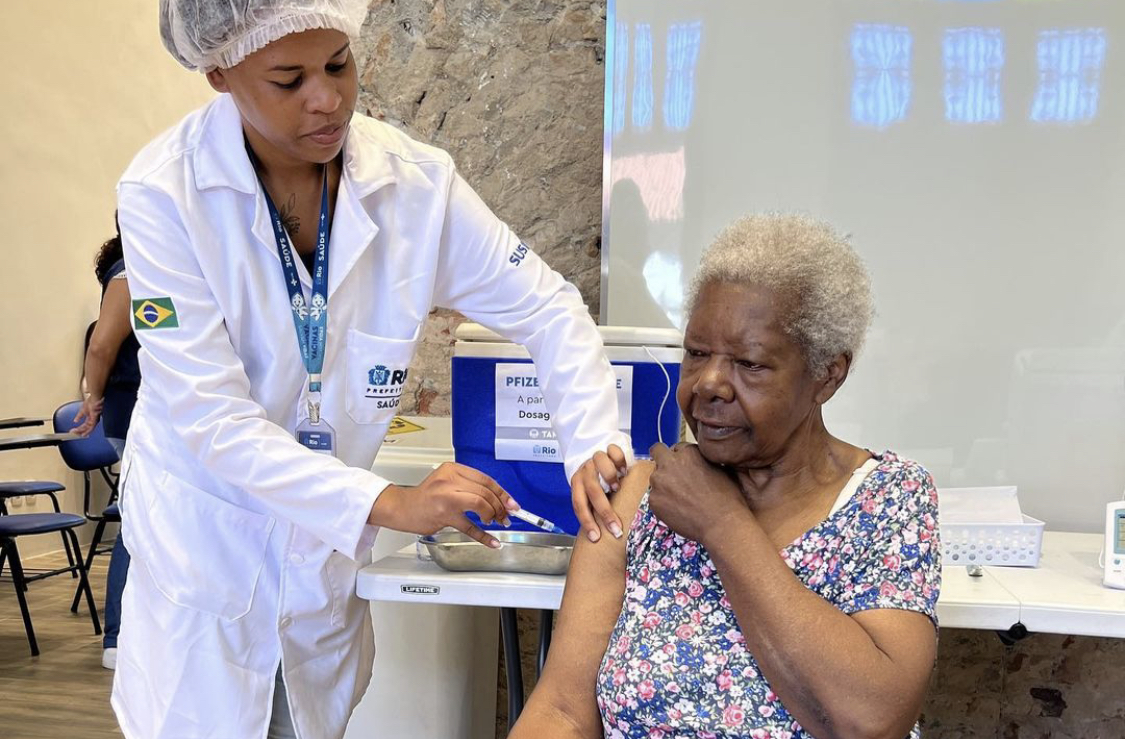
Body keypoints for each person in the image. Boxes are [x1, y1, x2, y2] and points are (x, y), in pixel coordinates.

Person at [113, 2, 631, 737]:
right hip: (209, 554)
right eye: (288, 80)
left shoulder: (415, 186)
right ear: (219, 73)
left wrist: (589, 442)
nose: (326, 100)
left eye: (338, 65)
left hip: (316, 564)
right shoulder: (165, 193)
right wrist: (390, 501)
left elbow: (547, 307)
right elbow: (213, 421)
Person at [513, 214, 942, 739]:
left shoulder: (889, 499)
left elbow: (872, 722)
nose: (709, 383)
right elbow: (561, 709)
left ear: (827, 374)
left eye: (750, 364)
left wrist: (721, 524)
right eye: (696, 354)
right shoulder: (637, 497)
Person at [73, 218, 141, 672]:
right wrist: (92, 400)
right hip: (134, 412)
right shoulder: (128, 269)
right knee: (137, 524)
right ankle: (116, 638)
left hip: (145, 411)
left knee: (149, 523)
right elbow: (101, 346)